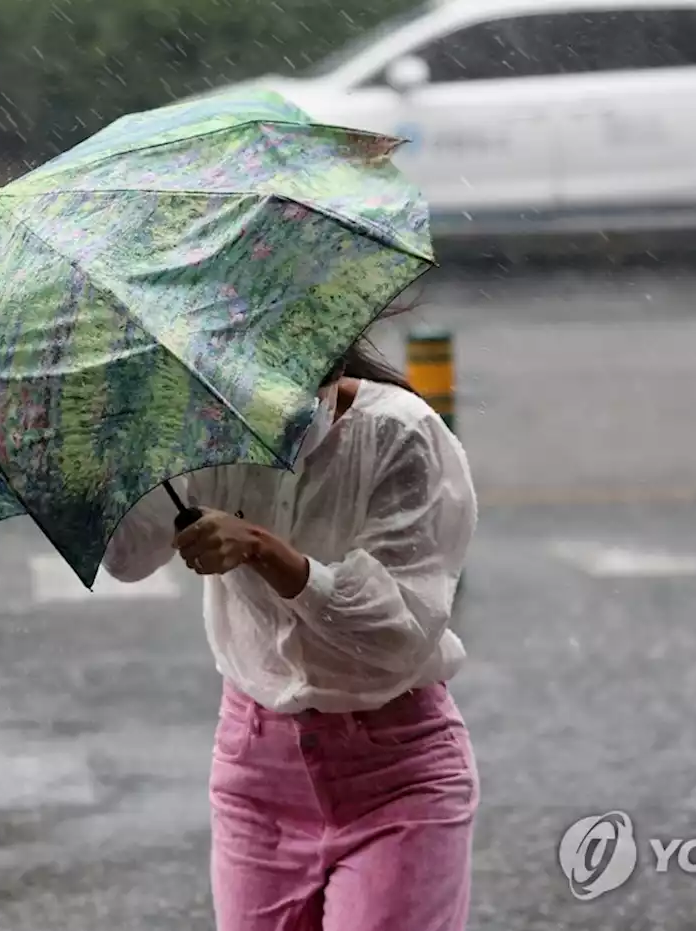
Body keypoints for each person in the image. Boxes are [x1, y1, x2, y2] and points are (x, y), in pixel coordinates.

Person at [102, 336, 479, 931]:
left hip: (396, 770)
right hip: (256, 770)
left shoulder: (401, 434)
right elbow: (125, 557)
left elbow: (397, 636)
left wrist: (264, 550)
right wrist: (131, 438)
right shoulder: (203, 427)